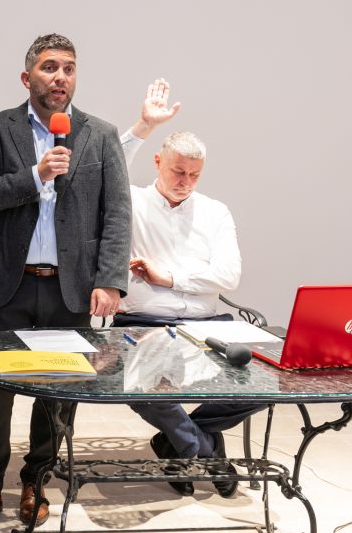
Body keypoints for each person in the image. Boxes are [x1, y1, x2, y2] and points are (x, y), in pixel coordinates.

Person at [0, 34, 131, 531]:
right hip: (7, 284)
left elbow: (117, 213)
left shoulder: (100, 134)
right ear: (27, 77)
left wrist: (111, 281)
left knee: (59, 391)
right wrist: (35, 174)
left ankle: (37, 480)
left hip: (69, 289)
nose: (60, 77)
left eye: (69, 68)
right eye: (50, 67)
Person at [114, 79, 265, 497]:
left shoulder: (216, 212)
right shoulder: (131, 201)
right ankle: (204, 452)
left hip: (208, 324)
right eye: (178, 171)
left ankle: (175, 444)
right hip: (145, 321)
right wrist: (145, 125)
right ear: (158, 161)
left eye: (195, 175)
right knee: (143, 386)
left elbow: (229, 275)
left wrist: (169, 277)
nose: (185, 181)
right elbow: (107, 167)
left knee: (268, 380)